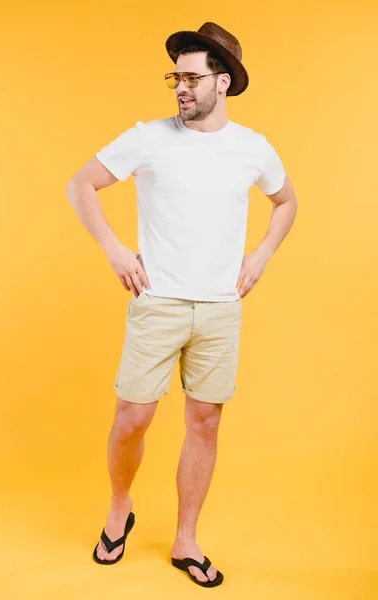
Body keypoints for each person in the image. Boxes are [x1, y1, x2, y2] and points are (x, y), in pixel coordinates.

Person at [66, 21, 298, 588]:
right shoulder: (149, 137)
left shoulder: (252, 147)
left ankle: (186, 538)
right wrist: (114, 248)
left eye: (192, 78)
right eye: (176, 77)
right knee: (132, 420)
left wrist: (262, 253)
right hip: (158, 302)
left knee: (205, 424)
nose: (180, 88)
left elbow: (287, 201)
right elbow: (80, 185)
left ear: (223, 82)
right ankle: (120, 508)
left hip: (220, 308)